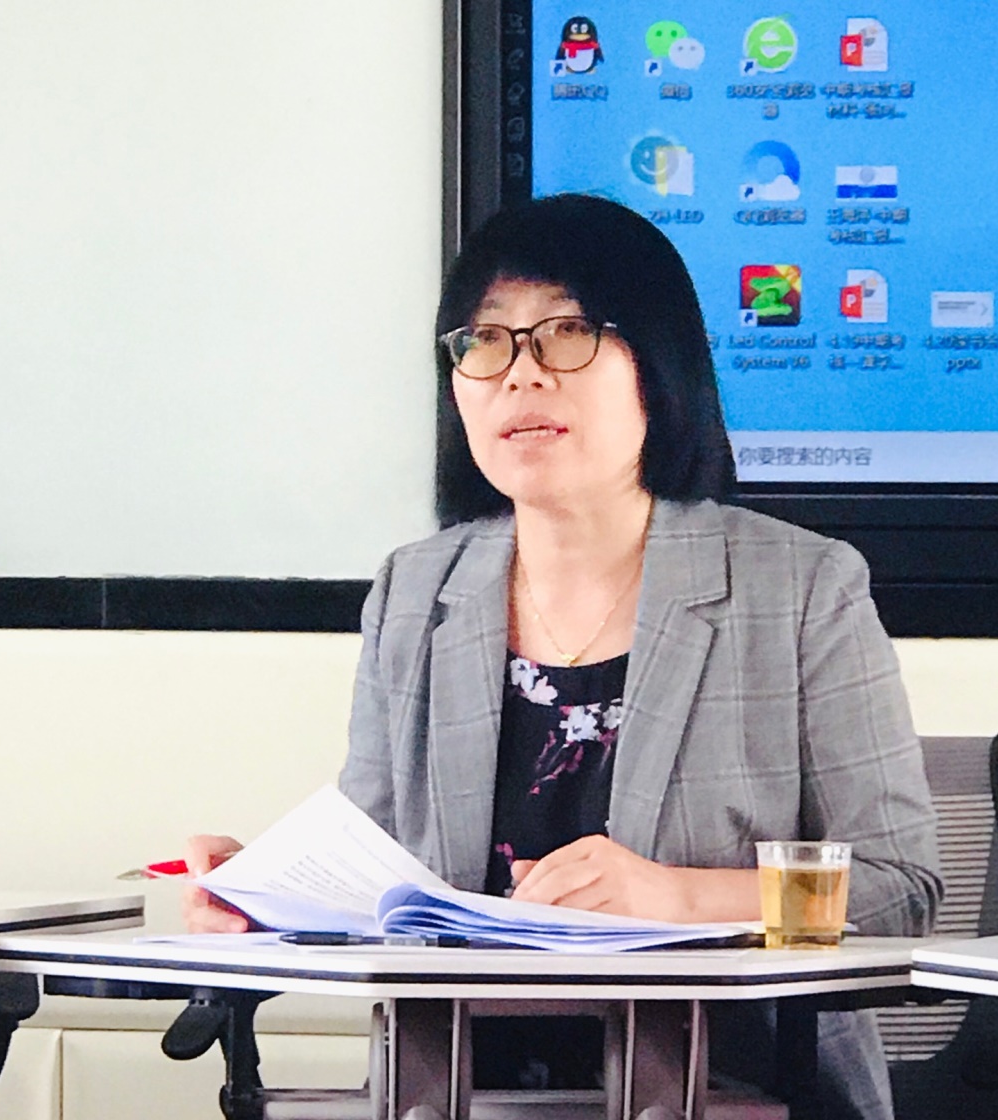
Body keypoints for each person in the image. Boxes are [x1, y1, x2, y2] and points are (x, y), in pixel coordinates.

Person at [185, 193, 943, 1119]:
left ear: (656, 365)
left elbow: (901, 892)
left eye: (567, 333)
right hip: (453, 1091)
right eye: (486, 341)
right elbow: (381, 882)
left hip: (733, 1091)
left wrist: (676, 898)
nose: (520, 375)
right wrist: (268, 892)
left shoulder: (799, 587)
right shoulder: (416, 593)